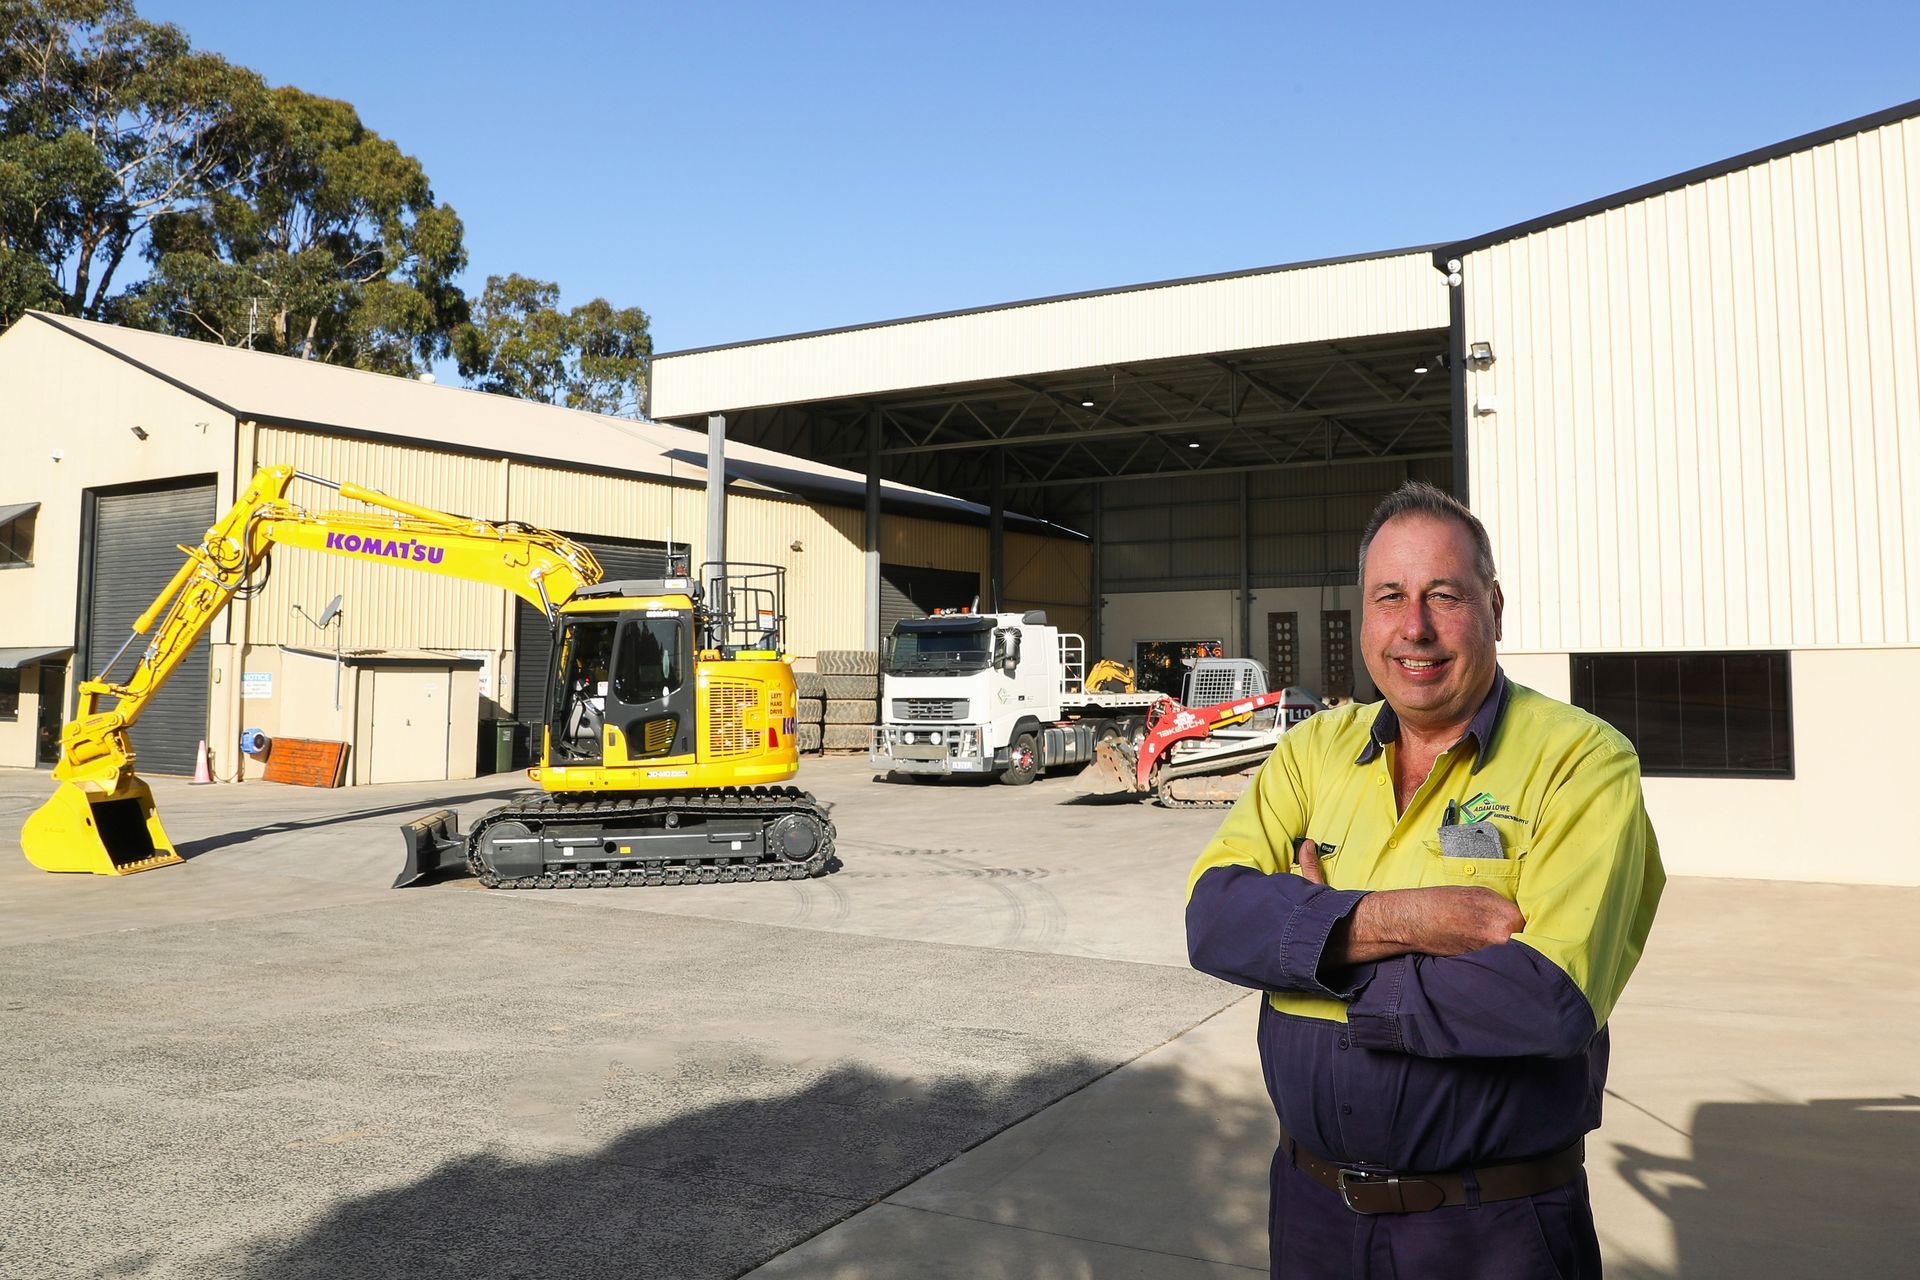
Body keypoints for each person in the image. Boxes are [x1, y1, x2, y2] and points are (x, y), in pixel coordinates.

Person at [1186, 481, 1664, 1279]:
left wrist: (1313, 944)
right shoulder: (1314, 752)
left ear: (1494, 607)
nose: (1415, 627)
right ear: (1365, 615)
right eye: (1390, 597)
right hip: (1313, 1214)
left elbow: (1547, 1001)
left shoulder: (1582, 762)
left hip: (1492, 1227)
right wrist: (1402, 920)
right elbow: (1215, 920)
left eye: (1445, 595)